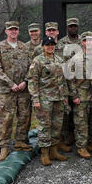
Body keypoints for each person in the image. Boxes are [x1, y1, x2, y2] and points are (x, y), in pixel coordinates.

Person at [0, 21, 32, 162]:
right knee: (6, 118)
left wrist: (24, 81)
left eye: (16, 29)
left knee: (24, 116)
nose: (13, 31)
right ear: (6, 31)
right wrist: (10, 83)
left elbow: (31, 67)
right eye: (11, 29)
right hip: (6, 90)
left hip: (23, 89)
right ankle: (4, 146)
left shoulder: (24, 47)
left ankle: (21, 141)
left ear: (18, 31)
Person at [28, 36, 69, 166]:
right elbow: (32, 81)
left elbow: (63, 81)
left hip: (58, 98)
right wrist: (35, 99)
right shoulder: (38, 61)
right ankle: (45, 154)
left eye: (52, 44)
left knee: (57, 126)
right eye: (47, 44)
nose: (50, 46)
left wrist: (65, 97)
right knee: (45, 126)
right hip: (44, 99)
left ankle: (54, 151)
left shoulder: (59, 60)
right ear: (43, 46)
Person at [67, 31, 92, 159]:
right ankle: (81, 147)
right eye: (85, 40)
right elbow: (70, 80)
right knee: (81, 123)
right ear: (81, 42)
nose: (88, 42)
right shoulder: (76, 59)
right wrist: (74, 96)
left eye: (90, 40)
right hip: (81, 97)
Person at [58, 18, 81, 148]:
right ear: (67, 28)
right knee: (66, 112)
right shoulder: (61, 43)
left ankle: (76, 137)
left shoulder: (82, 42)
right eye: (71, 26)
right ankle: (64, 138)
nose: (73, 28)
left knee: (79, 112)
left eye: (75, 26)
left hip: (81, 82)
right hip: (66, 81)